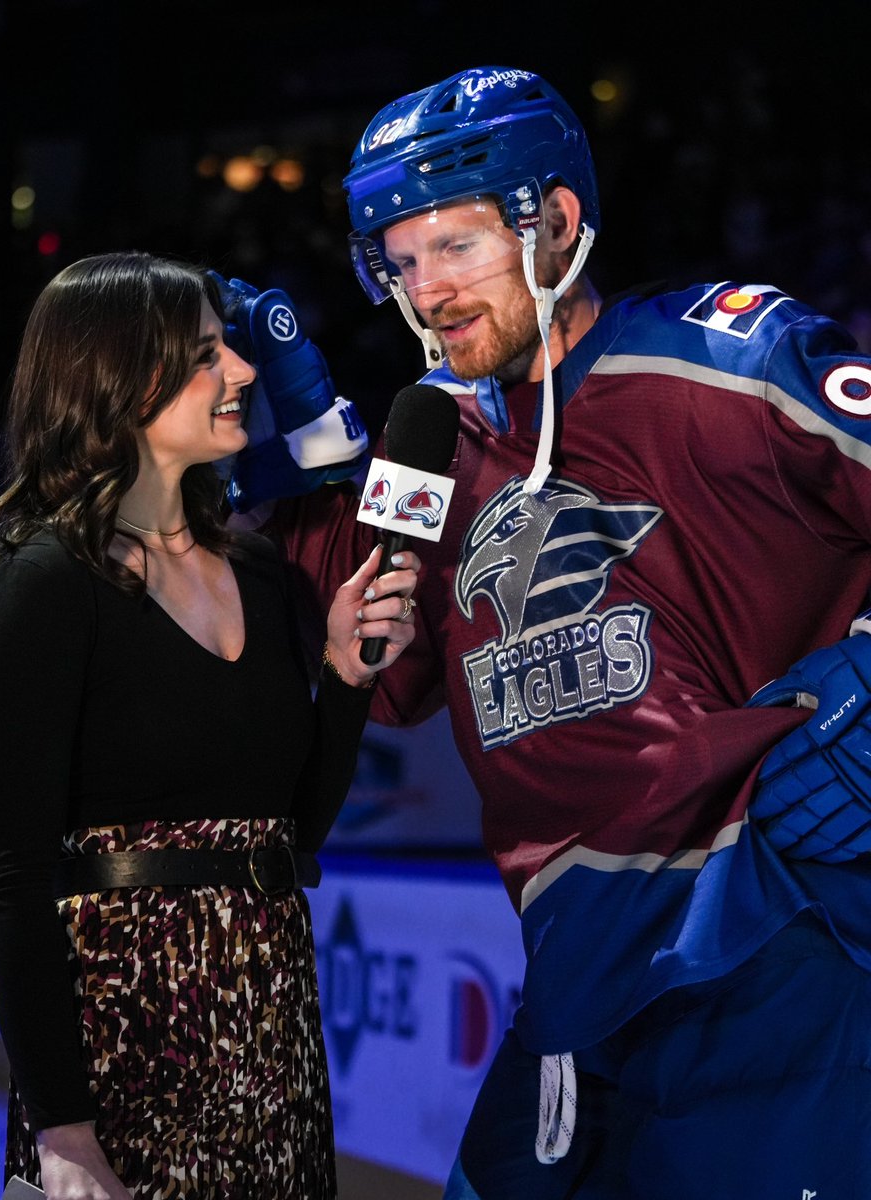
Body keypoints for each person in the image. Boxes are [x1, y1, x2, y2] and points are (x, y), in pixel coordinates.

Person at [216, 66, 871, 1198]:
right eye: (401, 261)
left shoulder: (730, 360)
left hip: (781, 952)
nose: (427, 292)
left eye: (456, 248)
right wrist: (293, 458)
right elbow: (378, 662)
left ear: (557, 221)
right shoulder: (433, 452)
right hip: (578, 984)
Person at [0, 250, 421, 1200]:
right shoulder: (44, 585)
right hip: (121, 1051)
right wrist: (63, 1129)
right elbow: (10, 882)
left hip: (272, 1034)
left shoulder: (259, 573)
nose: (244, 372)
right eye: (209, 354)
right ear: (120, 377)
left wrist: (343, 675)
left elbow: (290, 833)